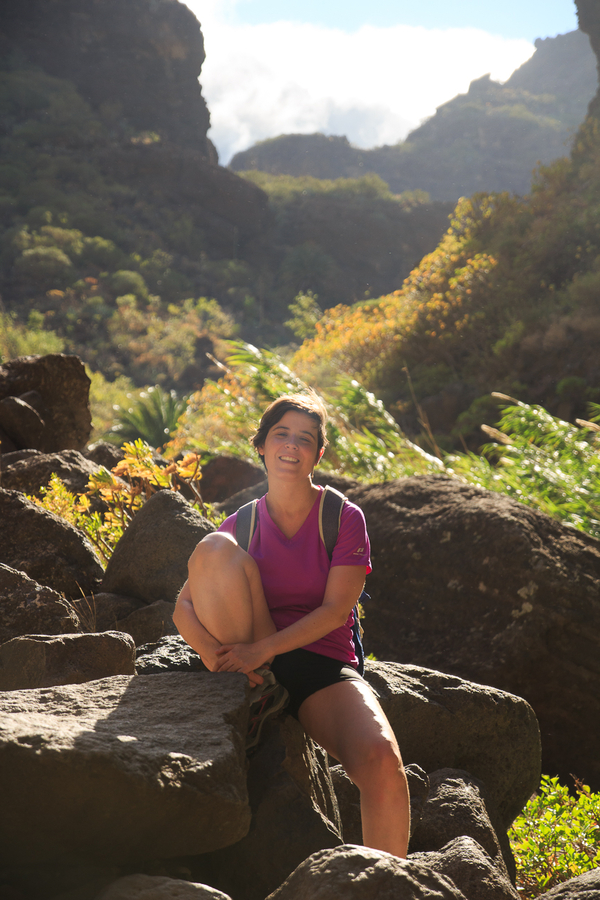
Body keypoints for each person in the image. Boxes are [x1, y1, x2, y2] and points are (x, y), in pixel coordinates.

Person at [173, 392, 410, 858]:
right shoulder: (241, 523)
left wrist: (262, 652)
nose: (291, 446)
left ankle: (389, 882)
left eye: (305, 439)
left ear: (318, 455)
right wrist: (215, 657)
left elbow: (335, 612)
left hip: (322, 662)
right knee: (212, 550)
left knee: (383, 763)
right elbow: (183, 607)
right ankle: (258, 697)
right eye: (281, 434)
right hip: (254, 657)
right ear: (261, 445)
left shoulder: (342, 517)